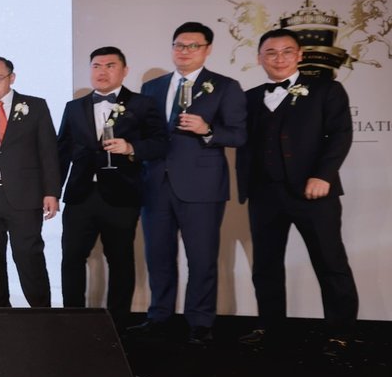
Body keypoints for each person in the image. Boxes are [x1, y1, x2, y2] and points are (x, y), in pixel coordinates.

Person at [236, 28, 358, 354]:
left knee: (330, 262)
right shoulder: (249, 97)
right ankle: (270, 326)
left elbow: (341, 134)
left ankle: (341, 332)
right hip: (264, 194)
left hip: (313, 194)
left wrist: (323, 176)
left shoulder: (327, 90)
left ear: (300, 55)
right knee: (266, 266)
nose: (279, 58)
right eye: (271, 52)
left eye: (286, 51)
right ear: (259, 58)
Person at [129, 21, 247, 347]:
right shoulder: (152, 87)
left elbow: (239, 135)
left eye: (193, 46)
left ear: (208, 50)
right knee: (158, 256)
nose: (184, 51)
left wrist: (207, 130)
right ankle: (159, 317)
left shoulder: (225, 86)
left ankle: (200, 321)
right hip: (155, 184)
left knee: (202, 258)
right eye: (179, 45)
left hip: (202, 185)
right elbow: (144, 134)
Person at [56, 46, 166, 331]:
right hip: (80, 195)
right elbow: (61, 153)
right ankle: (72, 321)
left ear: (124, 70)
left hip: (122, 195)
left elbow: (160, 143)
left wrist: (131, 147)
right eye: (96, 66)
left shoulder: (142, 104)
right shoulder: (74, 107)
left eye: (109, 65)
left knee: (120, 260)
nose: (102, 71)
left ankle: (117, 324)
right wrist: (52, 193)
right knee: (72, 258)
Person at [0, 56, 61, 308]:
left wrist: (51, 192)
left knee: (28, 256)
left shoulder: (35, 106)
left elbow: (48, 152)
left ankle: (42, 313)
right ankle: (0, 313)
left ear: (11, 78)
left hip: (24, 195)